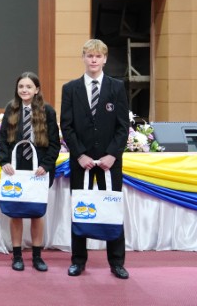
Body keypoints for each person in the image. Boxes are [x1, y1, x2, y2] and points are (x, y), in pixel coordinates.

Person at [61, 39, 129, 280]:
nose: (93, 60)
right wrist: (80, 154)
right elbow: (67, 126)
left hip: (110, 163)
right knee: (81, 210)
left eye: (98, 56)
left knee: (112, 210)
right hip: (82, 162)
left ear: (105, 59)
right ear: (83, 58)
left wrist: (112, 154)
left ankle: (117, 262)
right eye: (89, 56)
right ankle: (78, 261)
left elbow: (123, 126)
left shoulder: (116, 87)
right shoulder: (70, 89)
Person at [0, 72, 61, 272]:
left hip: (38, 171)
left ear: (36, 89)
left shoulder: (47, 111)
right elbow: (2, 139)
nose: (24, 90)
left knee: (36, 214)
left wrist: (46, 165)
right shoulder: (11, 108)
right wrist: (4, 161)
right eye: (21, 87)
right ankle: (17, 256)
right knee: (15, 213)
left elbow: (54, 143)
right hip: (15, 170)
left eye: (28, 87)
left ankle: (37, 256)